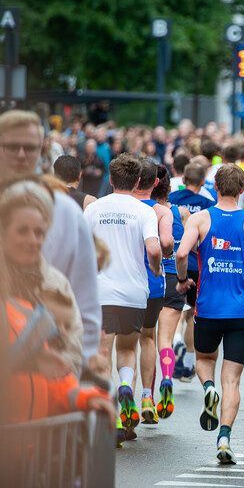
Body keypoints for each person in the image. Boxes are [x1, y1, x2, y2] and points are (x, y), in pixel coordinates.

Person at [175, 163, 244, 464]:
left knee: (204, 361)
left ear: (215, 188)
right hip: (241, 311)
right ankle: (224, 439)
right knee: (232, 380)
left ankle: (208, 389)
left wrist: (182, 280)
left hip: (207, 308)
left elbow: (181, 253)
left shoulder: (201, 219)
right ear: (243, 190)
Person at [1, 181, 114, 426]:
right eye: (22, 231)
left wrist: (85, 398)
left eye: (39, 232)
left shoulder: (53, 284)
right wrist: (31, 358)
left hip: (37, 449)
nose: (33, 240)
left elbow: (59, 377)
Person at [0, 110, 101, 365]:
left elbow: (86, 306)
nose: (21, 154)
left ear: (41, 151)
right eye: (12, 146)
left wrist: (76, 374)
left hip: (44, 368)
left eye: (30, 147)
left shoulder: (65, 211)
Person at [83, 153, 163, 441]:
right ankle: (126, 386)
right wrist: (154, 268)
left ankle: (113, 417)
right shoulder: (144, 211)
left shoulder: (94, 208)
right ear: (139, 181)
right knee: (128, 349)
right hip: (133, 292)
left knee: (102, 353)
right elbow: (154, 249)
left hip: (101, 291)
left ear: (110, 179)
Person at [132, 159, 174, 424]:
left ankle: (123, 391)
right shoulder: (162, 211)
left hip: (119, 283)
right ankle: (147, 396)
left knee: (120, 344)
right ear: (155, 182)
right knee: (149, 337)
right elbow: (166, 243)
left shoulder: (119, 206)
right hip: (154, 282)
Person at [169, 162, 215, 380]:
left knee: (177, 311)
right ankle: (186, 367)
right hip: (199, 265)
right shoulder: (208, 204)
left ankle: (175, 341)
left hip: (176, 262)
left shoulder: (173, 200)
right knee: (191, 315)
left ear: (184, 180)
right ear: (203, 181)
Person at [152, 168, 190, 419]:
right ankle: (168, 377)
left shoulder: (144, 211)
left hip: (151, 277)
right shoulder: (181, 212)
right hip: (175, 278)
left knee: (145, 341)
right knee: (165, 339)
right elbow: (188, 248)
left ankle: (148, 394)